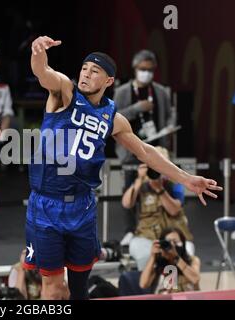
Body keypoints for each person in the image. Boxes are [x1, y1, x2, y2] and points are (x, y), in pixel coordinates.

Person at [24, 35, 221, 300]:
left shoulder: (112, 118)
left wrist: (186, 179)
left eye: (94, 71)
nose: (85, 74)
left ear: (108, 81)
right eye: (83, 69)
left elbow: (145, 152)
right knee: (54, 287)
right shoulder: (64, 93)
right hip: (46, 204)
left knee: (80, 287)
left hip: (81, 207)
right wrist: (38, 51)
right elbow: (43, 72)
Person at [114, 50, 173, 245]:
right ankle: (130, 230)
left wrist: (169, 126)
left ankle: (161, 228)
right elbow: (114, 116)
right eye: (142, 69)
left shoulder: (161, 91)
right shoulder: (123, 91)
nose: (146, 73)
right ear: (135, 69)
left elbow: (169, 114)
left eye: (149, 70)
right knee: (131, 188)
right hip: (131, 150)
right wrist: (137, 108)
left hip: (156, 148)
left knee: (159, 188)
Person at [122, 146, 195, 270]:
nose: (157, 170)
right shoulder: (141, 184)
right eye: (153, 165)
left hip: (173, 234)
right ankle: (149, 287)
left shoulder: (174, 183)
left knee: (181, 255)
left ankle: (171, 287)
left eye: (160, 165)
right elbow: (127, 204)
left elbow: (174, 209)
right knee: (144, 256)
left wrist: (160, 189)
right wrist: (139, 180)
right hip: (146, 236)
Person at [140, 227, 201, 294]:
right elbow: (143, 284)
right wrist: (152, 256)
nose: (172, 246)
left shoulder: (193, 260)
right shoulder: (158, 263)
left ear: (182, 244)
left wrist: (176, 258)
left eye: (175, 242)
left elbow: (195, 279)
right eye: (168, 242)